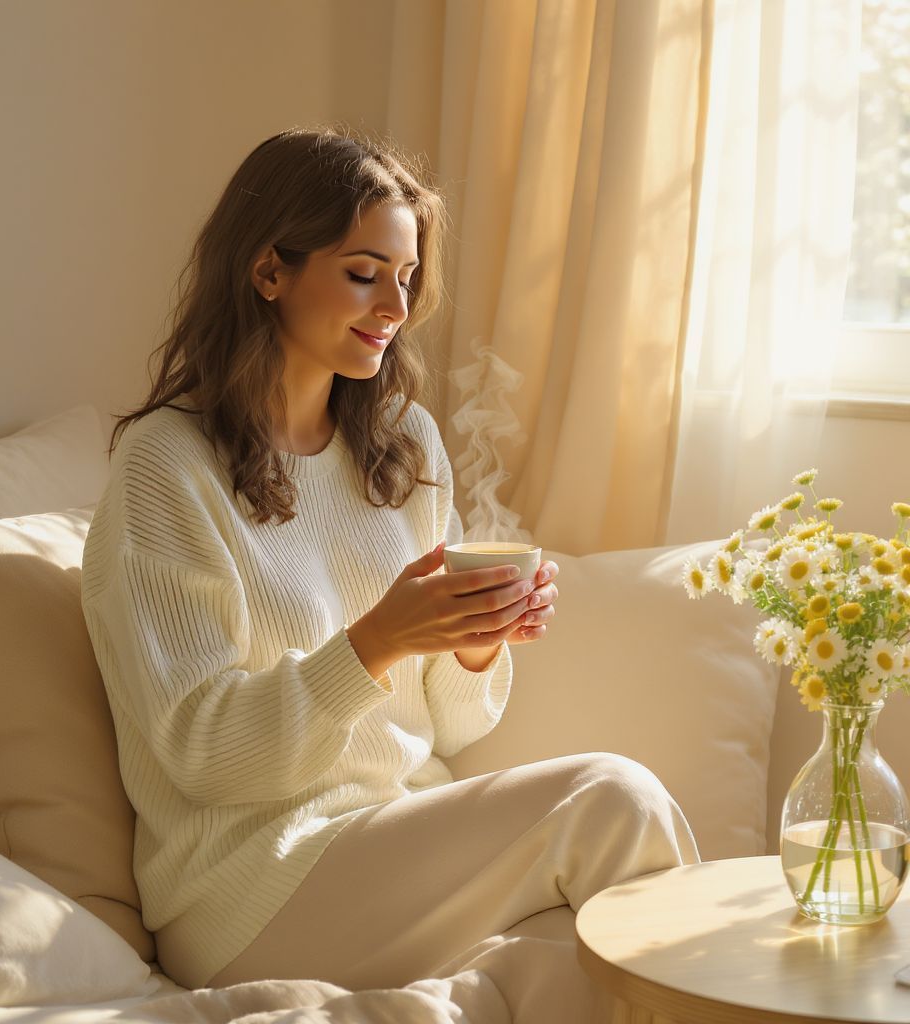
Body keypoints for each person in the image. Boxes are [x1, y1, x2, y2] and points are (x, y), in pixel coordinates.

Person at [80, 126, 698, 1008]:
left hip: (394, 845)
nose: (395, 308)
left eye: (406, 280)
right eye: (365, 273)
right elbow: (202, 754)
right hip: (250, 891)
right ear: (269, 273)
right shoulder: (166, 468)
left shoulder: (403, 445)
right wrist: (374, 644)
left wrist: (476, 640)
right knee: (612, 798)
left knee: (590, 960)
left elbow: (448, 732)